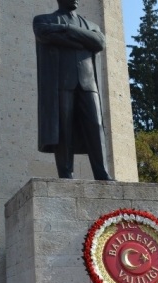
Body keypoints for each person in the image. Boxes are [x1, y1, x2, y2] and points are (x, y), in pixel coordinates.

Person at [33, 0, 114, 181]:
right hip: (62, 81)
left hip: (88, 83)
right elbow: (44, 35)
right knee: (64, 128)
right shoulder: (43, 20)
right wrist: (83, 41)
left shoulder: (92, 25)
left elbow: (99, 42)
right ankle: (66, 174)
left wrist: (68, 30)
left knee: (96, 125)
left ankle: (102, 173)